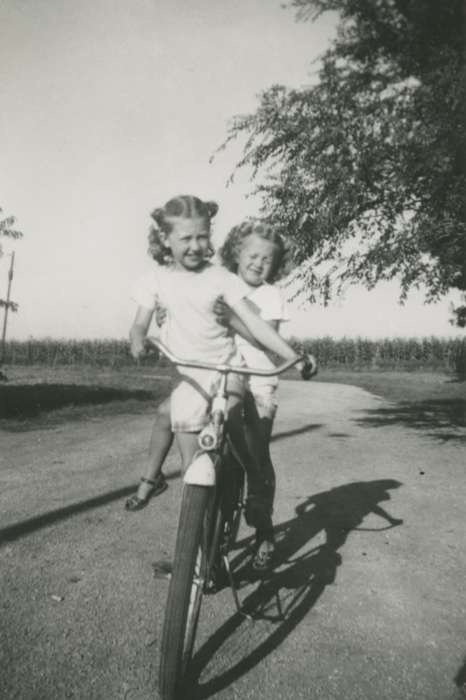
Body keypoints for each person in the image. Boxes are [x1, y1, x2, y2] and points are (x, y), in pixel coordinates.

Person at [126, 195, 304, 568]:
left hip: (226, 371)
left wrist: (290, 355)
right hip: (189, 378)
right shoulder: (154, 279)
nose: (195, 246)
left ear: (211, 237)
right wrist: (139, 337)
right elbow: (141, 320)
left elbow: (254, 326)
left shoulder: (221, 278)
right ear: (165, 240)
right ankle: (201, 550)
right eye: (185, 238)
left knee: (239, 418)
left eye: (202, 237)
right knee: (194, 474)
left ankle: (254, 480)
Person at [216, 219, 298, 568]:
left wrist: (234, 321)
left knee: (256, 449)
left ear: (276, 266)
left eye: (268, 260)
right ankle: (200, 539)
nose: (258, 263)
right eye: (252, 255)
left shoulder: (270, 295)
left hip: (258, 378)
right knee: (209, 453)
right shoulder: (219, 284)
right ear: (236, 253)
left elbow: (265, 340)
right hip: (221, 374)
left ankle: (263, 528)